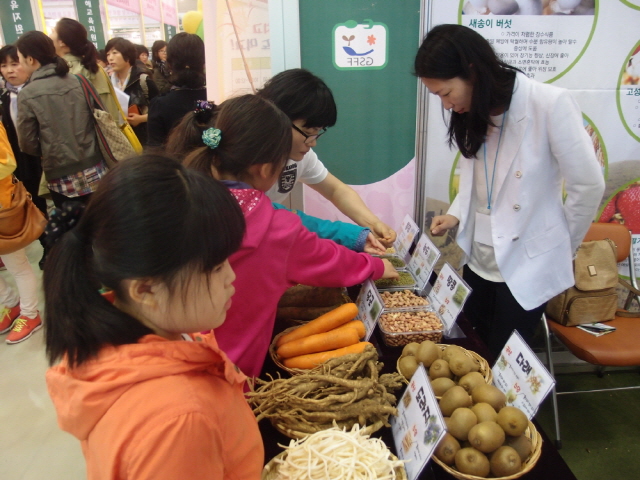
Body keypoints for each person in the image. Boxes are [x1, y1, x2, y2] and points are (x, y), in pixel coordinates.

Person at [44, 155, 263, 480]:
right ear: (146, 290)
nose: (231, 277)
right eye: (215, 267)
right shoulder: (179, 422)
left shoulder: (127, 338)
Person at [415, 24, 605, 357]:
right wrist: (456, 213)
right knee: (471, 351)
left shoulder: (549, 104)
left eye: (446, 92)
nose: (445, 105)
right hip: (480, 258)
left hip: (526, 262)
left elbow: (588, 185)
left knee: (506, 360)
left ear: (472, 72)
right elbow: (480, 179)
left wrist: (562, 247)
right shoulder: (472, 111)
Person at [178, 94, 398, 378]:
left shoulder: (181, 194)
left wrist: (355, 235)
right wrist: (377, 266)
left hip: (177, 360)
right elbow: (329, 261)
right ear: (266, 169)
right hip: (232, 372)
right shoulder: (273, 227)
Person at [166, 100, 386, 254]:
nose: (313, 142)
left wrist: (359, 233)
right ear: (264, 168)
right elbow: (302, 239)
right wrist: (370, 263)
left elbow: (301, 218)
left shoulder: (189, 192)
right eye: (308, 132)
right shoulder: (251, 210)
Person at [256, 69, 397, 247]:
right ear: (277, 118)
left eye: (317, 133)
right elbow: (276, 217)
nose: (312, 143)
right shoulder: (246, 162)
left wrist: (372, 223)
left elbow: (335, 190)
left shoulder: (299, 155)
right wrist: (354, 237)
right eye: (307, 133)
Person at [16, 31, 106, 208]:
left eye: (19, 59)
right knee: (100, 221)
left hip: (61, 175)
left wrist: (48, 149)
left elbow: (27, 143)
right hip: (95, 166)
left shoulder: (28, 94)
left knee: (72, 226)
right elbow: (101, 115)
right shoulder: (79, 81)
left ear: (30, 59)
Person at [0, 45, 48, 267]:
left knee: (45, 200)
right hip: (16, 160)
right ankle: (39, 241)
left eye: (14, 63)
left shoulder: (39, 91)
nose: (9, 70)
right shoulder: (4, 98)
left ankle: (51, 245)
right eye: (4, 65)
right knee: (27, 200)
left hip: (41, 156)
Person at [0, 123, 42, 344]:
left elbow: (7, 163)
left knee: (16, 264)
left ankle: (30, 314)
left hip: (2, 207)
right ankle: (11, 303)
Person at [50, 18, 120, 123]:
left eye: (53, 31)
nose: (49, 35)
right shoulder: (94, 68)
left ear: (62, 42)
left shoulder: (66, 72)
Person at [147, 33, 207, 148]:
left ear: (169, 64)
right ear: (203, 64)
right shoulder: (212, 100)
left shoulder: (160, 105)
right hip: (208, 165)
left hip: (171, 165)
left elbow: (154, 150)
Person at [106, 38, 158, 146]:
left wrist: (141, 118)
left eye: (115, 53)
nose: (110, 58)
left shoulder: (143, 80)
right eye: (108, 54)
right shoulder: (108, 81)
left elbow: (159, 111)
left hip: (141, 137)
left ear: (128, 56)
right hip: (118, 138)